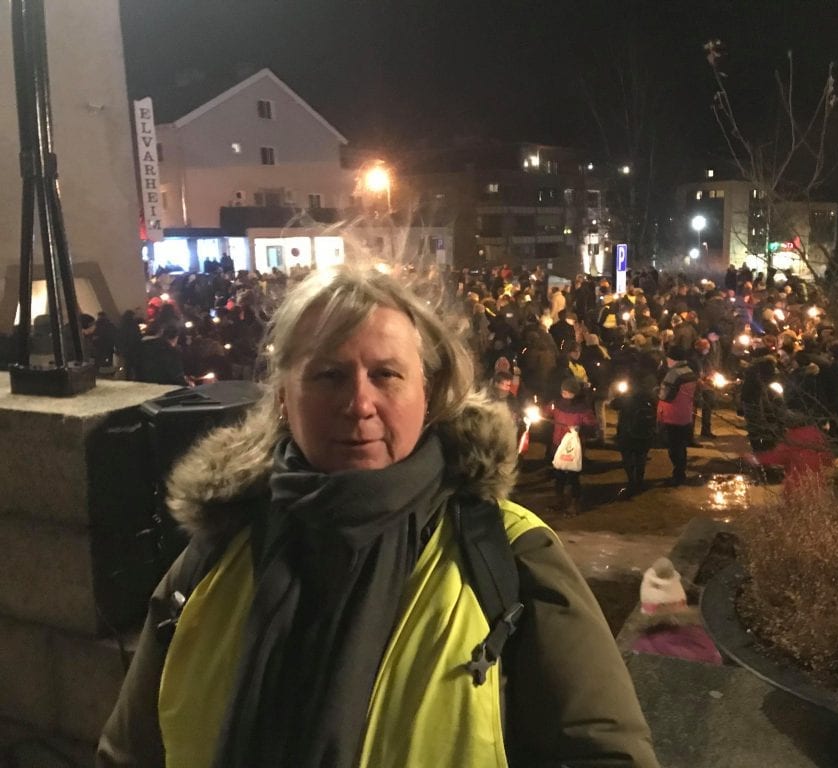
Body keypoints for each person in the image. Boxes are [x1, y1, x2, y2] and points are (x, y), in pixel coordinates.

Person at [97, 267, 657, 768]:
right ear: (284, 397)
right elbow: (128, 752)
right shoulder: (218, 546)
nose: (358, 404)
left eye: (386, 374)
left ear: (430, 392)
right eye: (328, 376)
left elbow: (605, 751)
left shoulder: (509, 555)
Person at [549, 376, 598, 515]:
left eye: (567, 392)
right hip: (557, 444)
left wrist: (580, 429)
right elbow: (547, 412)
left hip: (573, 448)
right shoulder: (557, 403)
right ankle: (559, 500)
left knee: (573, 477)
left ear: (574, 393)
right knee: (558, 475)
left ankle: (574, 503)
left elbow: (592, 426)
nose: (564, 394)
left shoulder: (582, 408)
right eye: (563, 391)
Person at [611, 371, 659, 499]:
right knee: (641, 456)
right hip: (645, 433)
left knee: (627, 456)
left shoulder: (627, 397)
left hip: (627, 432)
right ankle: (640, 481)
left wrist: (619, 394)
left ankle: (631, 481)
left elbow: (614, 405)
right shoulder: (650, 396)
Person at [657, 346, 700, 486]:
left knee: (674, 447)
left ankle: (678, 474)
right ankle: (680, 472)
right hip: (685, 414)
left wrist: (656, 391)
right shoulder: (690, 372)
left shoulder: (674, 374)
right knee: (681, 446)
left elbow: (665, 396)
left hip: (672, 415)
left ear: (673, 359)